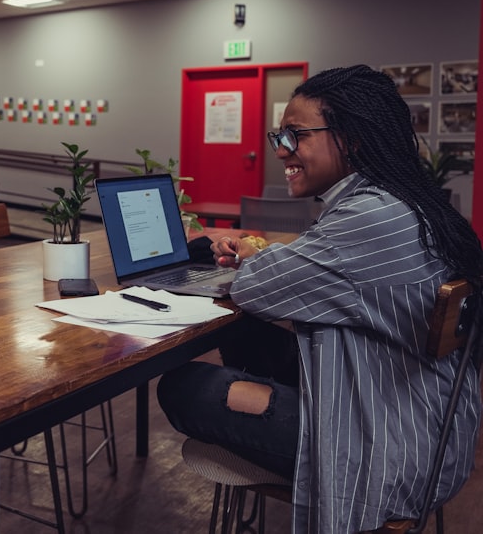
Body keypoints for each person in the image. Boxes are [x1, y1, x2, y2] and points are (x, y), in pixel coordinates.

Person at [157, 65, 483, 533]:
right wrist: (267, 258)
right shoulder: (405, 202)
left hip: (381, 449)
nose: (281, 150)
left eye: (295, 135)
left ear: (350, 138)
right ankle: (261, 400)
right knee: (252, 332)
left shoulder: (369, 215)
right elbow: (322, 274)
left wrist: (258, 261)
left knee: (182, 386)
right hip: (422, 426)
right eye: (279, 135)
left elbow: (253, 288)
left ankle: (261, 405)